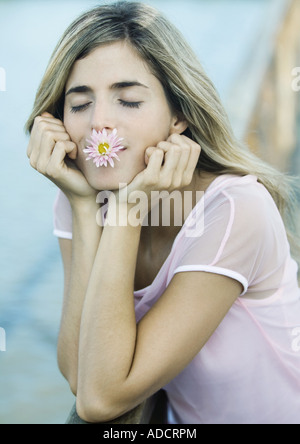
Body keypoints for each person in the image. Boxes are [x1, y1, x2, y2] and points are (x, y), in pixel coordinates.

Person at [25, 1, 300, 424]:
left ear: (178, 116)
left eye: (129, 101)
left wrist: (126, 210)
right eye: (79, 105)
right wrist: (83, 208)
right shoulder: (78, 193)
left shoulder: (234, 211)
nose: (100, 125)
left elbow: (100, 400)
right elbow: (82, 376)